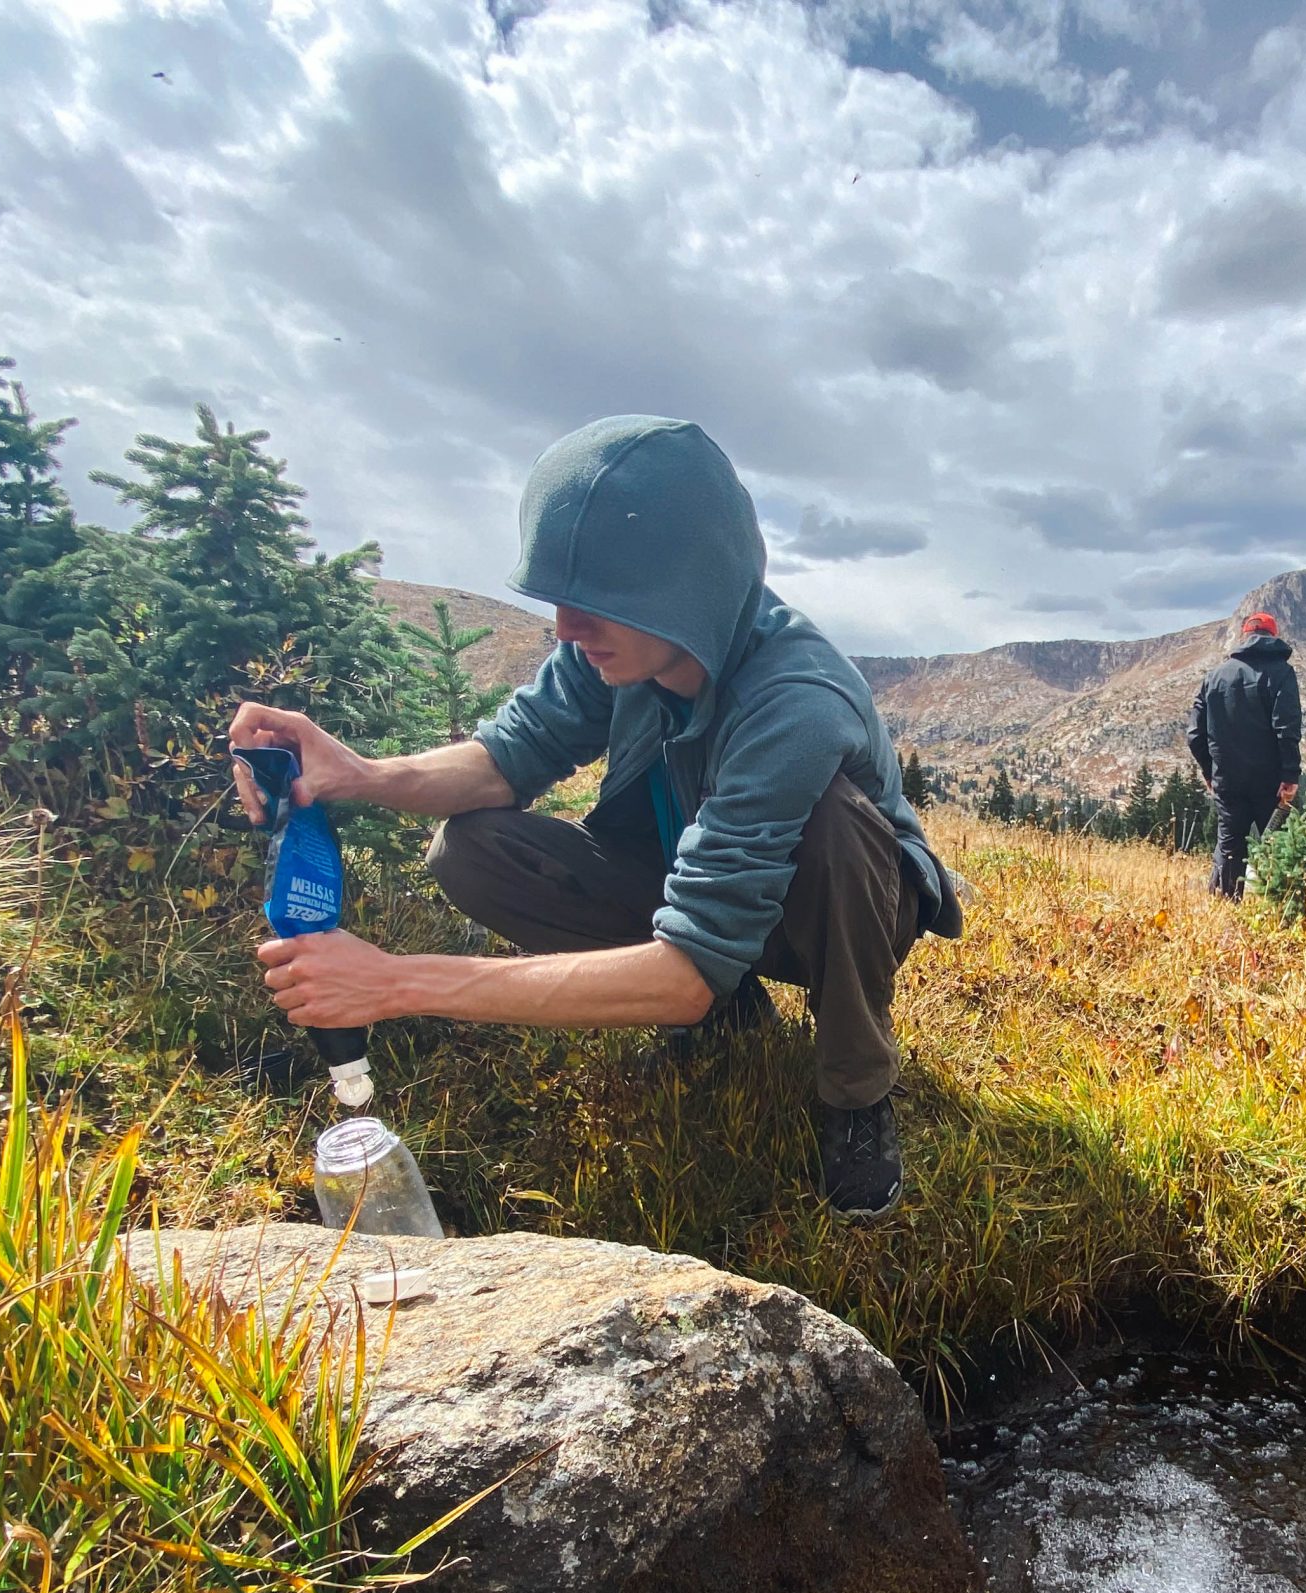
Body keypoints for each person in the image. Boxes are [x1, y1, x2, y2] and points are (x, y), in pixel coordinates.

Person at [229, 415, 960, 1221]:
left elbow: (681, 976)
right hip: (693, 882)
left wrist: (394, 982)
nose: (567, 630)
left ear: (688, 590)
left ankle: (856, 1088)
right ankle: (733, 1010)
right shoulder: (613, 654)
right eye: (562, 600)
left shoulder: (796, 700)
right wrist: (358, 775)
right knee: (469, 848)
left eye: (597, 604)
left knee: (830, 823)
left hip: (833, 912)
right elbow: (504, 762)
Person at [1187, 609, 1302, 897]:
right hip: (1271, 781)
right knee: (1277, 848)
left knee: (1229, 846)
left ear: (1244, 637)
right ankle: (1277, 911)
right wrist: (1289, 774)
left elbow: (1195, 735)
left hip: (1228, 779)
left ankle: (1224, 912)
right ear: (1272, 636)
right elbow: (1286, 728)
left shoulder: (1215, 677)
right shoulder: (1282, 674)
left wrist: (1209, 771)